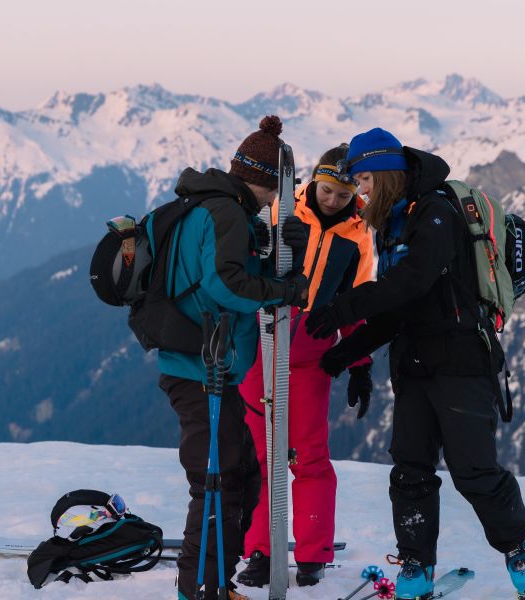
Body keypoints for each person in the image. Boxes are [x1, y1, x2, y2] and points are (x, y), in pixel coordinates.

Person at [303, 128, 525, 599]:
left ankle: (519, 551)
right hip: (413, 365)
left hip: (461, 362)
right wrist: (345, 355)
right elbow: (399, 309)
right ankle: (415, 565)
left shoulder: (435, 212)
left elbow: (412, 282)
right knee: (410, 469)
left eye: (366, 180)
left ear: (387, 173)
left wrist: (343, 308)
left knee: (474, 470)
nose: (361, 191)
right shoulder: (393, 222)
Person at [157, 115, 310, 600]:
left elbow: (225, 273)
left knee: (237, 473)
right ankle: (200, 589)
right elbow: (224, 283)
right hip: (203, 368)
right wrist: (279, 290)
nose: (278, 202)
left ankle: (216, 582)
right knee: (215, 482)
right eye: (277, 191)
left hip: (206, 364)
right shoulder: (225, 212)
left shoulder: (216, 208)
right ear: (265, 183)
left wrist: (276, 267)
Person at [235, 144, 375, 588]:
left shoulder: (359, 236)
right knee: (258, 457)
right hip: (262, 344)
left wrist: (359, 362)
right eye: (326, 189)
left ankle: (313, 553)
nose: (333, 200)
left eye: (343, 193)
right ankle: (259, 549)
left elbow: (356, 303)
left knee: (309, 457)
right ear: (313, 181)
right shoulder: (281, 211)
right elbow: (245, 266)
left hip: (311, 356)